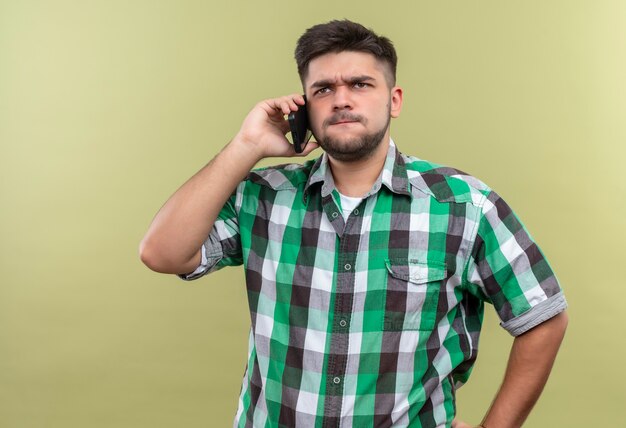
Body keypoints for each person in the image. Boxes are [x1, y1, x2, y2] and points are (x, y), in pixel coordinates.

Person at [140, 20, 568, 428]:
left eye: (360, 84)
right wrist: (247, 145)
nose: (341, 99)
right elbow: (162, 253)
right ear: (305, 107)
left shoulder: (464, 205)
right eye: (323, 89)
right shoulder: (263, 196)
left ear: (394, 99)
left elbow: (543, 315)